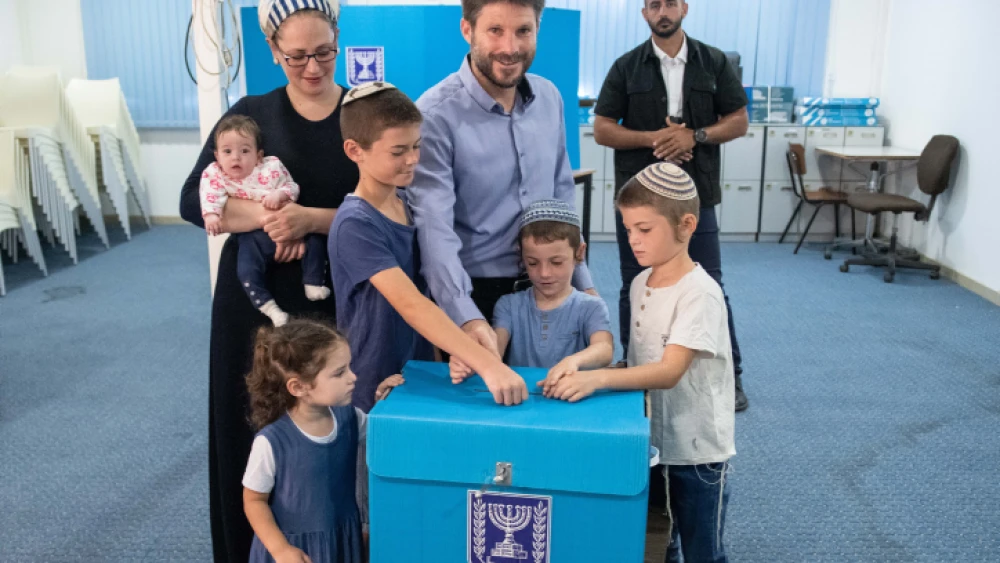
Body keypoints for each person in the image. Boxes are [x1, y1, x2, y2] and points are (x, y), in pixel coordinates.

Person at [178, 1, 357, 560]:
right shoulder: (250, 113)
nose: (311, 67)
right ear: (274, 52)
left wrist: (313, 220)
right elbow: (193, 201)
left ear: (338, 41)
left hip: (331, 299)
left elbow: (391, 211)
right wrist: (271, 218)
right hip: (252, 306)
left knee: (331, 436)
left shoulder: (363, 111)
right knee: (250, 432)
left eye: (324, 52)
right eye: (296, 55)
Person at [543, 163, 735, 563]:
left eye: (644, 230)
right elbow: (640, 358)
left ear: (686, 225)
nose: (633, 240)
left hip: (697, 453)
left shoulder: (700, 292)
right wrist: (598, 368)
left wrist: (597, 380)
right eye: (628, 229)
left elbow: (668, 371)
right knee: (659, 541)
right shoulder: (639, 282)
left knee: (704, 551)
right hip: (652, 443)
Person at [409, 0, 597, 363]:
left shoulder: (550, 99)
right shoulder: (434, 115)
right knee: (477, 413)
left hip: (550, 287)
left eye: (523, 31)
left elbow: (561, 196)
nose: (510, 48)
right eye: (495, 31)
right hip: (476, 293)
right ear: (467, 30)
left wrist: (581, 280)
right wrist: (465, 317)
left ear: (537, 30)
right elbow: (434, 232)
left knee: (552, 406)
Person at [329, 81, 528, 409]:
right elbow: (411, 305)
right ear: (354, 151)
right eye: (398, 151)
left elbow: (426, 294)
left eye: (416, 146)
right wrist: (488, 364)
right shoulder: (355, 223)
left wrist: (454, 353)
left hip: (417, 369)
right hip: (374, 379)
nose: (412, 160)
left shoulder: (407, 203)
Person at [593, 0, 750, 412]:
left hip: (695, 196)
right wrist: (654, 140)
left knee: (709, 284)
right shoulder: (626, 66)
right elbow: (603, 129)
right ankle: (637, 368)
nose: (662, 11)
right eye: (652, 5)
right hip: (639, 200)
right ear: (644, 13)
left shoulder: (713, 62)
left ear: (684, 7)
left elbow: (738, 120)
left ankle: (730, 377)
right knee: (636, 285)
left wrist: (693, 137)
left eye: (669, 3)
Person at [242, 319, 403, 563]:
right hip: (297, 550)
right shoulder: (271, 442)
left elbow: (382, 435)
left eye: (349, 367)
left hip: (342, 539)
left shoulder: (350, 418)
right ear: (298, 387)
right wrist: (280, 550)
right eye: (339, 373)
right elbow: (254, 500)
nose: (353, 377)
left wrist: (384, 403)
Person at [449, 200, 613, 381]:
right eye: (533, 263)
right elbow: (495, 348)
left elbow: (604, 349)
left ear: (579, 253)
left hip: (570, 400)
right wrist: (470, 361)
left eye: (556, 262)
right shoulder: (509, 305)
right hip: (520, 400)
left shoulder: (591, 307)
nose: (544, 273)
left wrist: (575, 361)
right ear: (521, 256)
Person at [200, 115, 331, 326]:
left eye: (245, 151)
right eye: (227, 152)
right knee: (246, 267)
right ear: (217, 156)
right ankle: (269, 307)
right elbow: (209, 195)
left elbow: (292, 187)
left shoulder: (270, 167)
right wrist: (212, 214)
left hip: (295, 226)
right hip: (253, 236)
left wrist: (280, 195)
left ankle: (313, 282)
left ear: (259, 155)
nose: (236, 158)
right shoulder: (216, 174)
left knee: (316, 242)